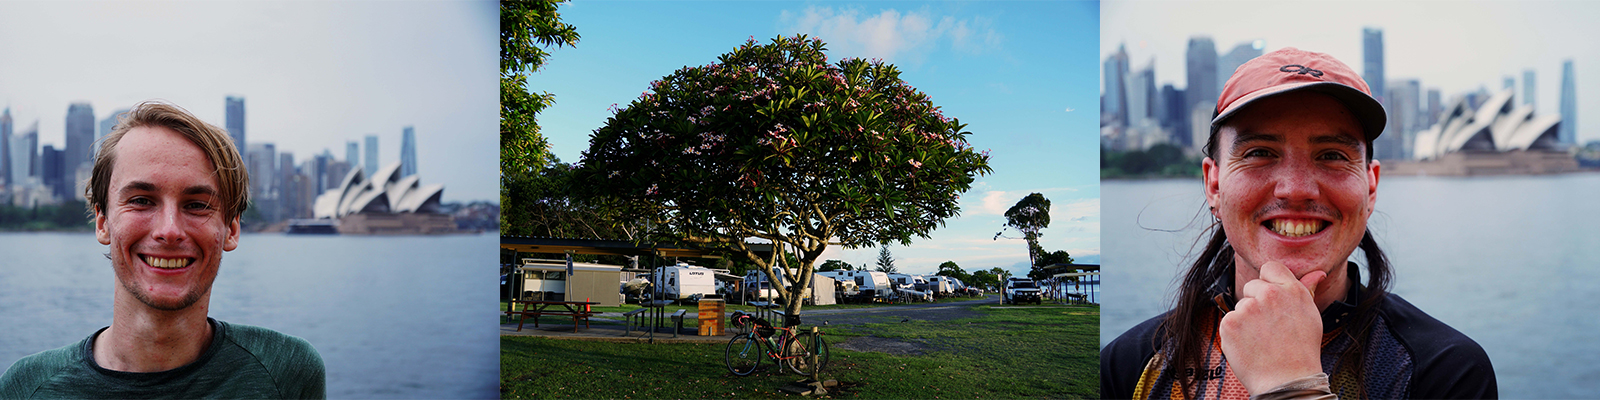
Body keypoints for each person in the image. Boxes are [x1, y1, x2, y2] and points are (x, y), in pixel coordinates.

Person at [1101, 48, 1495, 399]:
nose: (1296, 189)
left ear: (1370, 186)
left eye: (1332, 155)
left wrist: (1292, 388)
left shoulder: (1442, 372)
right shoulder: (1130, 366)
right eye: (1259, 152)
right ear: (1214, 183)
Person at [0, 101, 325, 398]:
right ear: (102, 222)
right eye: (141, 200)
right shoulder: (26, 388)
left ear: (232, 229)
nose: (169, 230)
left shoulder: (287, 373)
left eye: (197, 205)